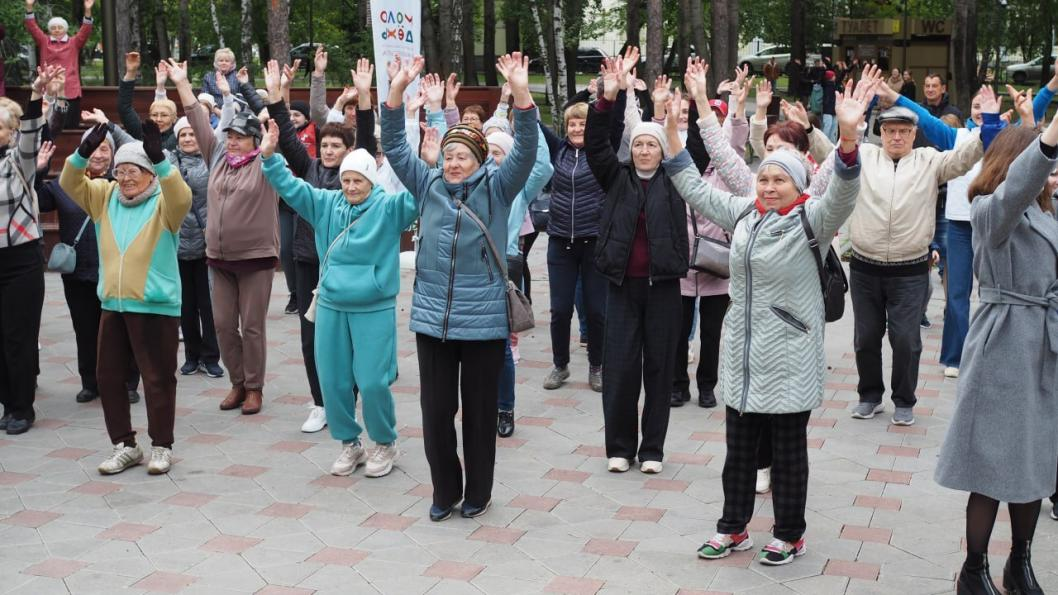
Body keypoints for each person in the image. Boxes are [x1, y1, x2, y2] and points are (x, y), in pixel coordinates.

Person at [668, 64, 871, 567]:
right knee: (738, 452)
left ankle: (789, 533)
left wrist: (848, 138)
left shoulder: (813, 219)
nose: (769, 185)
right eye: (764, 178)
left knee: (786, 455)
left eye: (780, 179)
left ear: (799, 184)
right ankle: (731, 528)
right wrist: (674, 126)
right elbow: (693, 187)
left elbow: (843, 191)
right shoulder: (744, 214)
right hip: (742, 352)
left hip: (789, 355)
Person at [381, 52, 538, 522]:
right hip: (433, 321)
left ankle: (479, 492)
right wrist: (397, 91)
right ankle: (444, 490)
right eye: (448, 155)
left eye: (462, 156)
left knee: (479, 412)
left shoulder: (498, 187)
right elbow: (393, 144)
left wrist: (522, 93)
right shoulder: (427, 185)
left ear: (479, 160)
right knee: (435, 412)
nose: (452, 162)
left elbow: (527, 149)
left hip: (485, 321)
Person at [934, 116, 1058, 595]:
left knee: (1034, 461)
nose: (1049, 177)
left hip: (1043, 348)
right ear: (1013, 163)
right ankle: (974, 569)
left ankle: (1019, 563)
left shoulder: (1048, 213)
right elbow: (1019, 188)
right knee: (989, 465)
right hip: (1003, 343)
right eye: (1044, 167)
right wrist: (1048, 137)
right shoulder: (990, 208)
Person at [261, 100, 414, 477]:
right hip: (330, 305)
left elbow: (421, 195)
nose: (350, 187)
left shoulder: (388, 208)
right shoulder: (326, 202)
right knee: (333, 381)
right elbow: (291, 187)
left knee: (374, 382)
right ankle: (350, 443)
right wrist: (269, 157)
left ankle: (384, 442)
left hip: (372, 306)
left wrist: (427, 161)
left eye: (357, 181)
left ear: (370, 180)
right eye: (345, 180)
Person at [59, 120, 192, 475]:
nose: (126, 177)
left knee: (158, 379)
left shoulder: (165, 204)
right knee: (108, 376)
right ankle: (125, 445)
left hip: (156, 307)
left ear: (149, 174)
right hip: (113, 306)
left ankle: (161, 446)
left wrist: (161, 159)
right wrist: (82, 152)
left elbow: (182, 195)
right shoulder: (104, 198)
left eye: (134, 170)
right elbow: (68, 182)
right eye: (120, 171)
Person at [847, 95, 986, 427]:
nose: (897, 137)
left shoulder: (929, 161)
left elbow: (965, 159)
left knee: (906, 339)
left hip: (909, 270)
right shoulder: (865, 157)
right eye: (891, 130)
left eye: (904, 131)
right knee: (865, 337)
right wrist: (815, 128)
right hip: (865, 267)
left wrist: (987, 128)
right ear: (881, 132)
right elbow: (829, 155)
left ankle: (904, 399)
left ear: (913, 134)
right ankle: (869, 395)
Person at [583, 53, 689, 476]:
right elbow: (595, 143)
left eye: (653, 144)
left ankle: (653, 450)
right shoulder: (617, 175)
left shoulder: (678, 181)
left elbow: (692, 148)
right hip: (622, 286)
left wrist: (668, 113)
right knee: (621, 368)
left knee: (660, 370)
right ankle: (620, 446)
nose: (645, 149)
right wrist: (607, 99)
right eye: (640, 143)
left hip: (663, 288)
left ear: (662, 151)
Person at [265, 57, 376, 433]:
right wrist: (277, 98)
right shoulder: (308, 168)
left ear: (348, 150)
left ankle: (350, 399)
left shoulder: (357, 178)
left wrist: (363, 98)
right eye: (325, 145)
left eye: (336, 146)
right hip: (307, 261)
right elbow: (287, 134)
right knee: (312, 339)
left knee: (348, 339)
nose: (328, 151)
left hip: (346, 266)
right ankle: (320, 402)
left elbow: (368, 136)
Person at [168, 58, 277, 416]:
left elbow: (278, 154)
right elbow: (199, 121)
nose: (231, 142)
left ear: (254, 141)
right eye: (229, 136)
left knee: (253, 327)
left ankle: (255, 387)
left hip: (255, 258)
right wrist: (183, 84)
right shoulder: (216, 157)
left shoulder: (265, 165)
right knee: (223, 325)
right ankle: (237, 382)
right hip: (218, 257)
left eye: (239, 137)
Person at [38, 113, 144, 405]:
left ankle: (128, 382)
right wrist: (37, 170)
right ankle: (90, 382)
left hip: (116, 273)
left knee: (123, 330)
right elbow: (36, 199)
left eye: (105, 148)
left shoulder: (124, 184)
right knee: (85, 331)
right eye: (93, 148)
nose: (99, 154)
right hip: (78, 275)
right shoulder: (64, 184)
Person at [0, 66, 55, 435]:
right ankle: (7, 403)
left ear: (10, 132)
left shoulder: (17, 161)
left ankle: (22, 407)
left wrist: (36, 97)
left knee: (18, 336)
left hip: (20, 260)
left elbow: (32, 137)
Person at [490, 122, 553, 438]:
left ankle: (505, 407)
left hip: (503, 270)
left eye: (498, 153)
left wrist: (532, 119)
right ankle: (478, 406)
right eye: (486, 152)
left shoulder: (517, 190)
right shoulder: (467, 185)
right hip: (469, 272)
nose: (492, 159)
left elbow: (542, 165)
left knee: (500, 346)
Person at [168, 116, 224, 380]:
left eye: (192, 134)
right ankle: (191, 356)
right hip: (177, 242)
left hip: (206, 242)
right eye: (183, 135)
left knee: (208, 304)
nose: (189, 139)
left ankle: (211, 357)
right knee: (185, 306)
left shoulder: (212, 160)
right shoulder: (168, 162)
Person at [23, 0, 94, 128]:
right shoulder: (44, 42)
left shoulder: (74, 43)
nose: (56, 30)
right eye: (53, 28)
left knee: (70, 126)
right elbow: (32, 27)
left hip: (70, 90)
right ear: (50, 30)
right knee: (47, 124)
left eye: (59, 27)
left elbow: (85, 30)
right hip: (48, 90)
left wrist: (88, 10)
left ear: (65, 29)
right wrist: (29, 7)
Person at [119, 53, 179, 152]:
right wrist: (131, 72)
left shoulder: (179, 134)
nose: (158, 119)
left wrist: (181, 83)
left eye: (164, 115)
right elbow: (124, 108)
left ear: (174, 118)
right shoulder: (142, 133)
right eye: (154, 115)